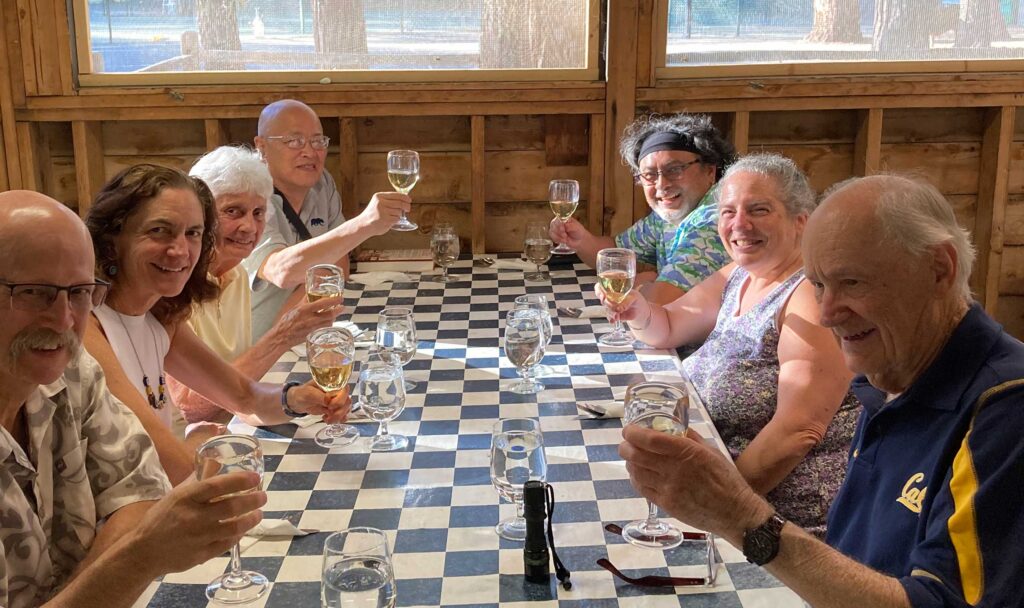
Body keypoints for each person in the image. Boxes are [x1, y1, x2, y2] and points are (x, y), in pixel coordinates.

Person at [619, 175, 1024, 607]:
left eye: (852, 282)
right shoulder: (889, 372)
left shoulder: (1005, 410)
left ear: (938, 268)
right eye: (818, 285)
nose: (827, 314)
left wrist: (739, 516)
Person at [0, 191, 266, 608]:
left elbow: (141, 490)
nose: (64, 319)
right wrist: (135, 560)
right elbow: (150, 520)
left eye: (80, 292)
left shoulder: (73, 371)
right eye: (34, 292)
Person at [600, 154, 857, 533]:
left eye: (759, 209)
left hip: (780, 519)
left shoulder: (808, 294)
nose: (739, 224)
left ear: (800, 220)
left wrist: (717, 506)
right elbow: (668, 324)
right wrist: (636, 310)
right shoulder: (742, 274)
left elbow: (798, 431)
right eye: (727, 212)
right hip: (720, 486)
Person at [83, 164, 349, 485]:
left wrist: (296, 399)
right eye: (159, 231)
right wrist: (198, 443)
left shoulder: (161, 316)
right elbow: (164, 463)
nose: (180, 250)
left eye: (192, 233)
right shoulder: (88, 328)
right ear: (112, 238)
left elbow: (244, 396)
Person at [166, 146, 344, 424]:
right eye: (233, 211)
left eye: (258, 213)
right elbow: (193, 407)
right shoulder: (174, 284)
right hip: (174, 451)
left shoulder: (235, 276)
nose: (249, 227)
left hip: (224, 437)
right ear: (199, 215)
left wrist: (293, 400)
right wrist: (282, 336)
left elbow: (239, 400)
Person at [245, 99, 411, 339]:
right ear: (261, 147)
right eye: (294, 141)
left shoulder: (323, 183)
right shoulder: (248, 195)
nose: (310, 152)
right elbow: (280, 271)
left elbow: (339, 266)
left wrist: (287, 331)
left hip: (295, 338)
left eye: (317, 141)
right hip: (242, 354)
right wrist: (364, 224)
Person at [550, 113, 735, 304]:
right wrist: (580, 240)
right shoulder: (667, 216)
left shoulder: (714, 220)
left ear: (710, 171)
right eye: (649, 175)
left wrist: (646, 282)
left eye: (675, 169)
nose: (661, 184)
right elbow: (616, 253)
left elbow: (658, 302)